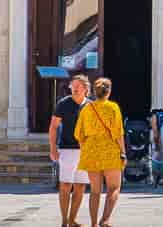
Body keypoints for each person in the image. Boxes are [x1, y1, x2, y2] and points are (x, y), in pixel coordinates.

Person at [76, 78, 126, 227]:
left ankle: (93, 224)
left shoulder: (86, 109)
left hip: (91, 152)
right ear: (108, 91)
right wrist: (123, 152)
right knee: (114, 188)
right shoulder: (113, 108)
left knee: (95, 191)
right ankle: (104, 220)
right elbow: (118, 133)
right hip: (110, 151)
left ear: (94, 92)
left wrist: (86, 149)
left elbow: (79, 134)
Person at [48, 75, 90, 227]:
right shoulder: (63, 104)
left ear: (86, 89)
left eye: (78, 86)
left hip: (85, 152)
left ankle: (72, 220)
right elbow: (53, 126)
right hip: (67, 150)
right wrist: (53, 148)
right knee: (65, 184)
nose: (74, 88)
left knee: (80, 185)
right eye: (72, 86)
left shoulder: (91, 106)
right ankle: (64, 221)